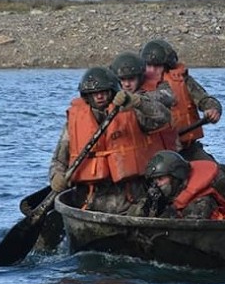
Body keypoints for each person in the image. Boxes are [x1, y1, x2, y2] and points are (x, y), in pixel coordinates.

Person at [47, 66, 171, 215]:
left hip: (129, 200)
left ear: (112, 91)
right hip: (90, 201)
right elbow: (59, 160)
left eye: (103, 92)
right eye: (94, 93)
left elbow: (164, 117)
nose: (99, 97)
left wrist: (138, 102)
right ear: (87, 96)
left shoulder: (131, 113)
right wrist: (56, 176)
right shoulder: (73, 124)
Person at [139, 39, 222, 162]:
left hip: (188, 148)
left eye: (157, 66)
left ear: (167, 66)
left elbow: (205, 99)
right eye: (148, 66)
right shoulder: (137, 87)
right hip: (158, 152)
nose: (151, 71)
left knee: (219, 178)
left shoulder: (183, 81)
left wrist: (213, 109)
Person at [139, 151, 225, 220]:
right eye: (155, 180)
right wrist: (148, 205)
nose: (157, 184)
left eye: (161, 179)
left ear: (176, 178)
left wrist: (170, 213)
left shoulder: (201, 202)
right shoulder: (166, 193)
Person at [109, 51, 177, 151]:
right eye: (123, 80)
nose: (127, 84)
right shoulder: (108, 97)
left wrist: (137, 101)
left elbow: (167, 103)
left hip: (160, 151)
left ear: (140, 78)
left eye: (131, 79)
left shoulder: (158, 89)